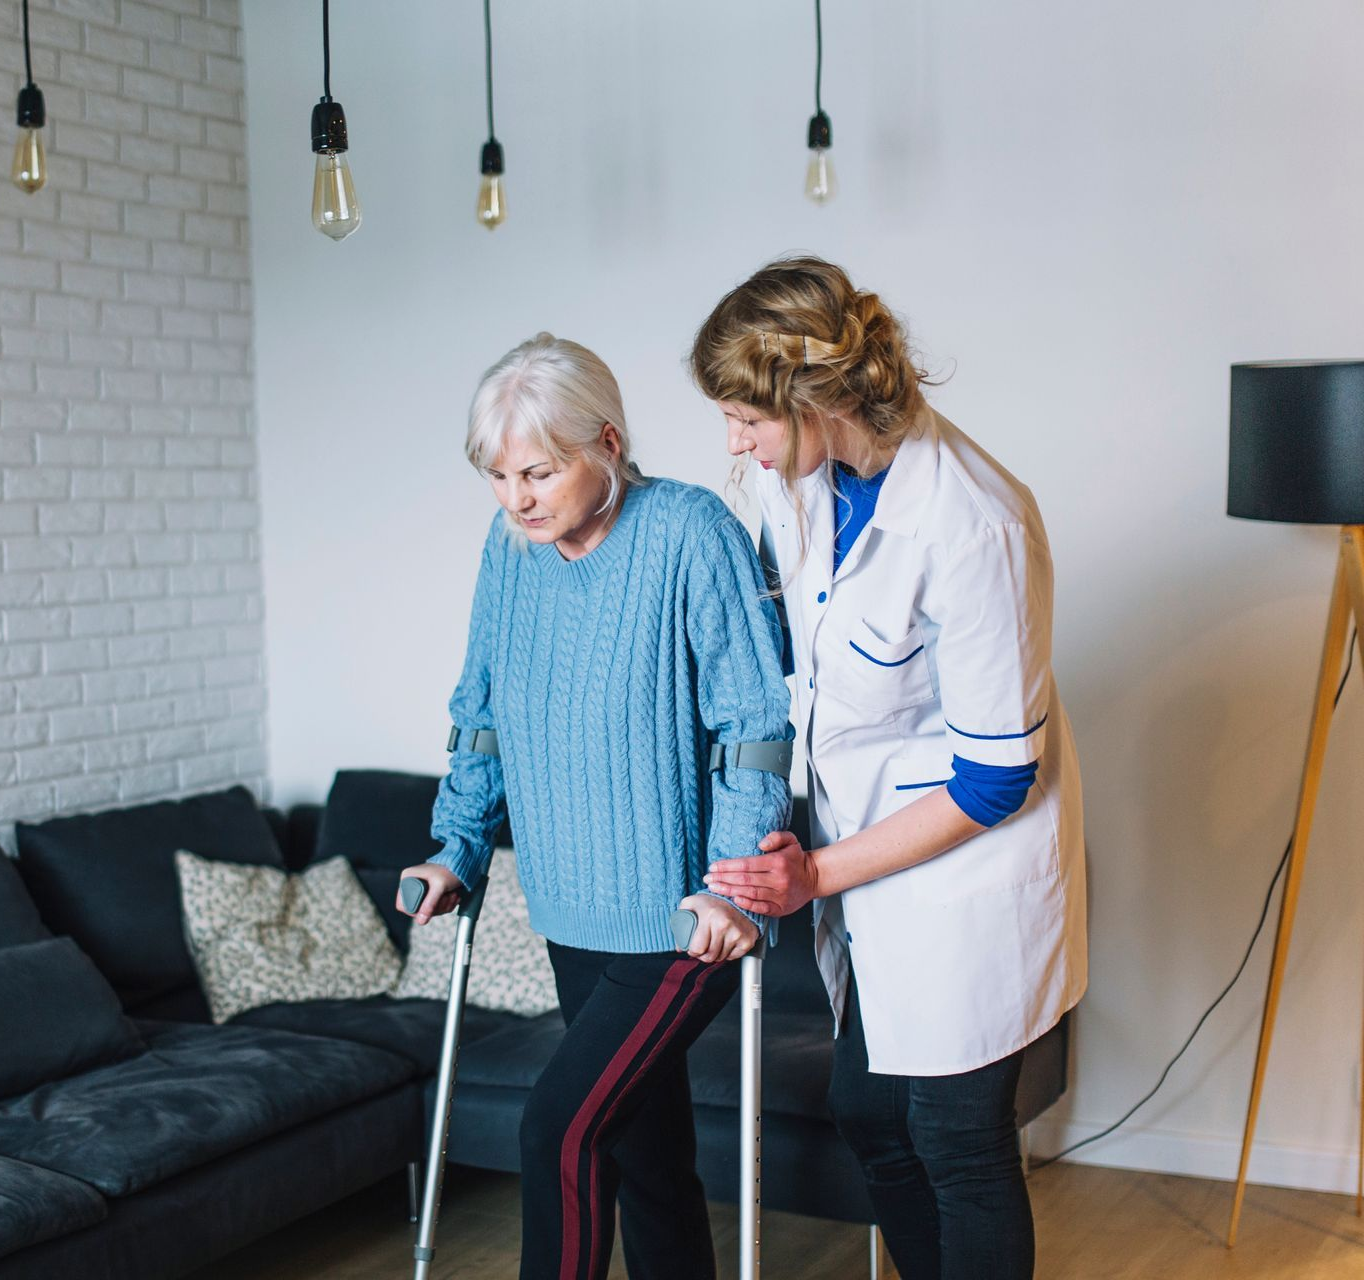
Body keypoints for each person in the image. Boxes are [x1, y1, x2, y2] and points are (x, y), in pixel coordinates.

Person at [690, 257, 1087, 1280]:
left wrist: (815, 873)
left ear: (814, 396)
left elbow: (995, 776)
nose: (733, 442)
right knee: (867, 1109)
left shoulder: (971, 520)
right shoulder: (806, 485)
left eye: (745, 417)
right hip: (872, 869)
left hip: (965, 874)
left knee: (956, 1139)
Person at [396, 332, 793, 1280]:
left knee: (557, 1131)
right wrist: (457, 843)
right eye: (498, 475)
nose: (517, 497)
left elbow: (755, 722)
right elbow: (483, 713)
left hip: (681, 921)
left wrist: (733, 889)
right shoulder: (510, 549)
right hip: (569, 908)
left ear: (607, 443)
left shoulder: (691, 531)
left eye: (538, 470)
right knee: (643, 1153)